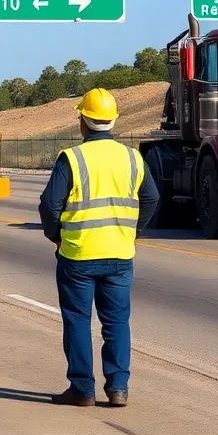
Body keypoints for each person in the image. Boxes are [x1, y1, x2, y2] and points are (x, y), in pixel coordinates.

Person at [38, 87, 159, 408]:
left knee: (78, 321)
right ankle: (118, 388)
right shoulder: (133, 157)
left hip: (78, 255)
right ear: (113, 121)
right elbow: (151, 198)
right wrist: (133, 231)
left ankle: (82, 389)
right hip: (120, 254)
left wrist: (56, 236)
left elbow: (49, 206)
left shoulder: (73, 159)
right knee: (116, 322)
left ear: (83, 121)